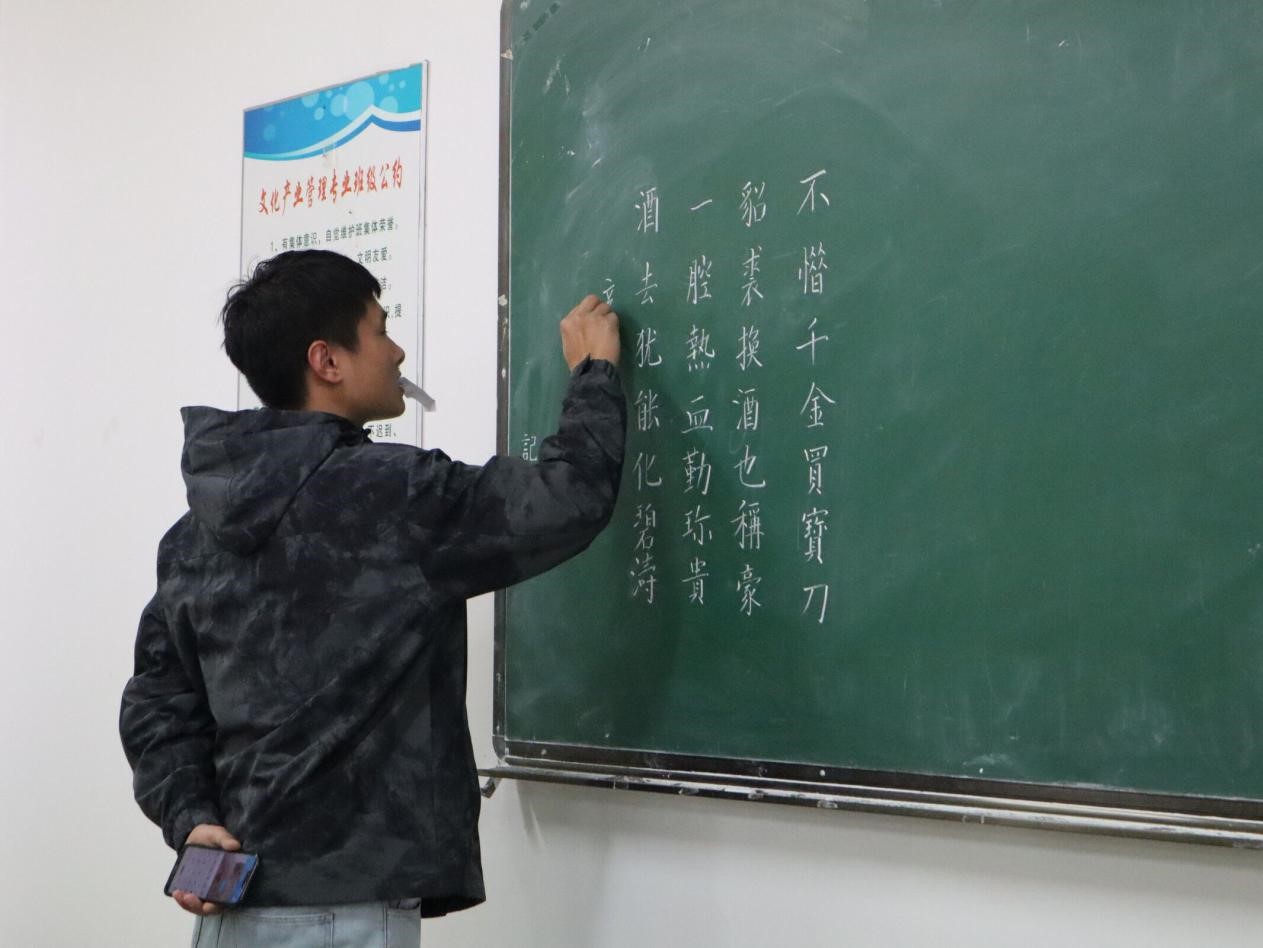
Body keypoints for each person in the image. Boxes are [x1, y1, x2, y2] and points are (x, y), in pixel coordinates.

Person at [119, 249, 625, 945]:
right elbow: (566, 500)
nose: (397, 351)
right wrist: (594, 372)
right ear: (326, 361)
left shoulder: (193, 533)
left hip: (234, 906)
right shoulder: (393, 494)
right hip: (346, 914)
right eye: (381, 330)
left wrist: (189, 816)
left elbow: (157, 701)